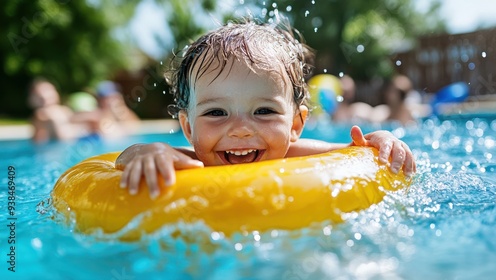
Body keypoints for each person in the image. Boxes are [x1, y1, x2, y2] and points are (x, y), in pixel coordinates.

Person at [115, 19, 416, 199]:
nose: (241, 128)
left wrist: (380, 141)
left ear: (296, 125)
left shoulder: (298, 155)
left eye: (263, 111)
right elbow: (125, 157)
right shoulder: (192, 163)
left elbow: (356, 151)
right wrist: (149, 151)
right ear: (189, 128)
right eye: (216, 112)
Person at [27, 78, 97, 143]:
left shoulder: (63, 110)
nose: (44, 95)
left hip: (72, 142)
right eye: (40, 93)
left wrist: (90, 117)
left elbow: (73, 117)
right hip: (55, 147)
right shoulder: (41, 114)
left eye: (48, 90)